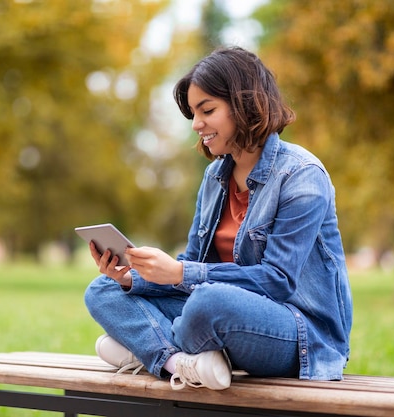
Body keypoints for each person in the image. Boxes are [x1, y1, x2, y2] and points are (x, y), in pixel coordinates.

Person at [84, 46, 353, 391]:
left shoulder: (302, 175)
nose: (196, 124)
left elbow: (277, 281)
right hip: (218, 315)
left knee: (209, 302)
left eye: (207, 110)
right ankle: (177, 361)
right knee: (104, 289)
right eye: (194, 113)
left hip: (298, 334)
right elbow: (192, 267)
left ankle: (147, 348)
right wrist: (136, 276)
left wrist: (179, 273)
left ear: (244, 105)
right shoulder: (215, 178)